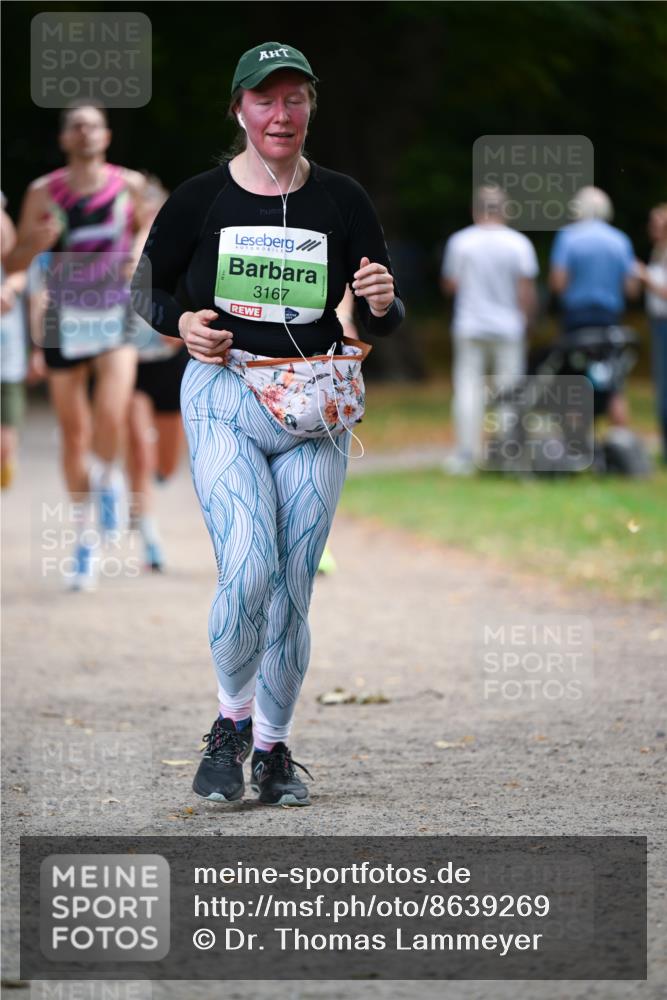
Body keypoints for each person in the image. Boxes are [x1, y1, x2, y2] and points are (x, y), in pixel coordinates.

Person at [132, 41, 404, 806]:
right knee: (248, 567)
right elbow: (144, 293)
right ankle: (229, 725)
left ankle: (274, 749)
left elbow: (380, 314)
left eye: (294, 99)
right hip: (225, 395)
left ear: (311, 106)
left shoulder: (344, 200)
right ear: (238, 110)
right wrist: (182, 321)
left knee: (290, 588)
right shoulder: (199, 198)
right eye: (264, 99)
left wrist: (381, 303)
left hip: (312, 408)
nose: (280, 114)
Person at [4, 103, 146, 589]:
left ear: (106, 136)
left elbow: (154, 227)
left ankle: (107, 481)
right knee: (74, 432)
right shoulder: (43, 191)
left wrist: (141, 250)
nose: (85, 132)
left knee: (112, 412)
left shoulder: (129, 184)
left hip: (115, 310)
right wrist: (36, 242)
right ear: (65, 139)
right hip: (65, 314)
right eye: (76, 126)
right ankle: (84, 539)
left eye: (93, 125)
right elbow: (16, 258)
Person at [440, 185, 538, 474]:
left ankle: (466, 455)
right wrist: (528, 322)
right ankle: (507, 452)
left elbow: (450, 285)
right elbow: (526, 292)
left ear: (476, 210)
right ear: (505, 210)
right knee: (509, 390)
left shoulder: (461, 242)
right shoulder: (519, 244)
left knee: (468, 389)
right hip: (509, 327)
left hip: (470, 324)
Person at [126, 176, 188, 571]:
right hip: (126, 364)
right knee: (137, 447)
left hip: (169, 362)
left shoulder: (180, 247)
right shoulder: (112, 250)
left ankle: (153, 482)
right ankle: (148, 536)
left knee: (166, 463)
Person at [549, 186, 640, 427]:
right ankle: (623, 440)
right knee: (613, 385)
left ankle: (575, 446)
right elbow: (631, 288)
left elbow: (558, 283)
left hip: (577, 320)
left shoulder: (568, 237)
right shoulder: (620, 240)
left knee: (573, 382)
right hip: (609, 320)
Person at [636, 203, 667, 464]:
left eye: (655, 223)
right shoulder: (659, 251)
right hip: (658, 323)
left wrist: (645, 277)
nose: (651, 228)